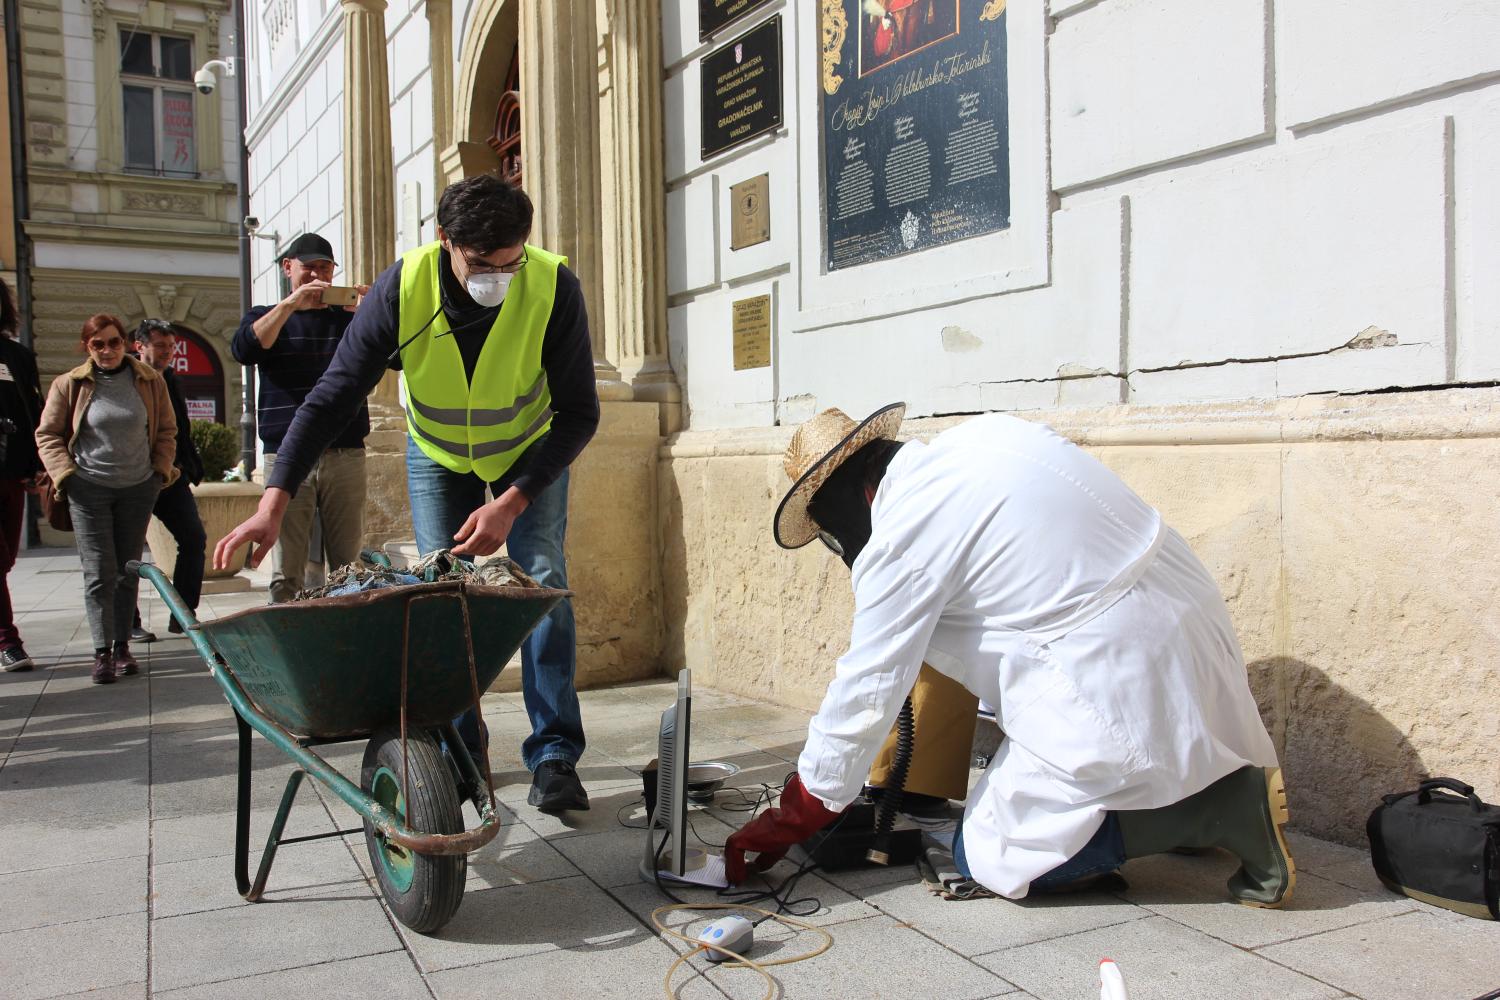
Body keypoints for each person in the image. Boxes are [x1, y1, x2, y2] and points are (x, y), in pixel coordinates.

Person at [725, 404, 1296, 907]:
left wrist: (796, 814)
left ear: (852, 499)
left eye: (830, 532)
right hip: (1192, 626)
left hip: (1112, 668)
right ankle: (1194, 798)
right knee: (1142, 759)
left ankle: (1217, 810)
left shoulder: (902, 532)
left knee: (991, 856)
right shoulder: (987, 436)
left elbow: (867, 687)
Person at [215, 175, 600, 813]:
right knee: (440, 596)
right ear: (445, 239)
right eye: (482, 263)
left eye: (511, 262)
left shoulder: (552, 284)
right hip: (439, 453)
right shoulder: (403, 287)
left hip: (528, 453)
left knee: (540, 585)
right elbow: (333, 395)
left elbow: (579, 414)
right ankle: (459, 752)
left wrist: (514, 500)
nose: (498, 277)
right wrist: (272, 501)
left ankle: (555, 753)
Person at [36, 315, 176, 684]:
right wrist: (67, 476)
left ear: (126, 343)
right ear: (87, 347)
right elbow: (47, 434)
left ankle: (122, 646)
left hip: (137, 488)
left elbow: (166, 430)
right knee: (99, 571)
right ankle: (102, 653)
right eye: (99, 344)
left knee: (127, 570)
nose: (108, 350)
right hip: (89, 488)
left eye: (114, 342)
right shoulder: (71, 384)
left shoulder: (149, 381)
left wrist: (159, 472)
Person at [232, 232, 369, 602]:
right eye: (309, 268)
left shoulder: (348, 320)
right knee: (287, 564)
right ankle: (289, 642)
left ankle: (348, 638)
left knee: (348, 564)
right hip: (285, 454)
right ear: (288, 267)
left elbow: (397, 358)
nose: (317, 276)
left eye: (325, 268)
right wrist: (290, 305)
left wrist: (373, 314)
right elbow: (245, 349)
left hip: (345, 450)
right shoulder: (267, 316)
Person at [131, 320, 206, 635]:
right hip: (133, 477)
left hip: (172, 476)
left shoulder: (171, 378)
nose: (167, 353)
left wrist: (187, 467)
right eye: (160, 346)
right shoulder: (126, 379)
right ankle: (127, 622)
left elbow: (180, 428)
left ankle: (183, 616)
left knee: (193, 539)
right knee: (128, 551)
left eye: (171, 347)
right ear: (140, 346)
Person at [0, 280, 43, 672]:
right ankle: (7, 641)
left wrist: (36, 464)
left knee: (7, 559)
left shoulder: (17, 356)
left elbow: (33, 410)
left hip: (11, 472)